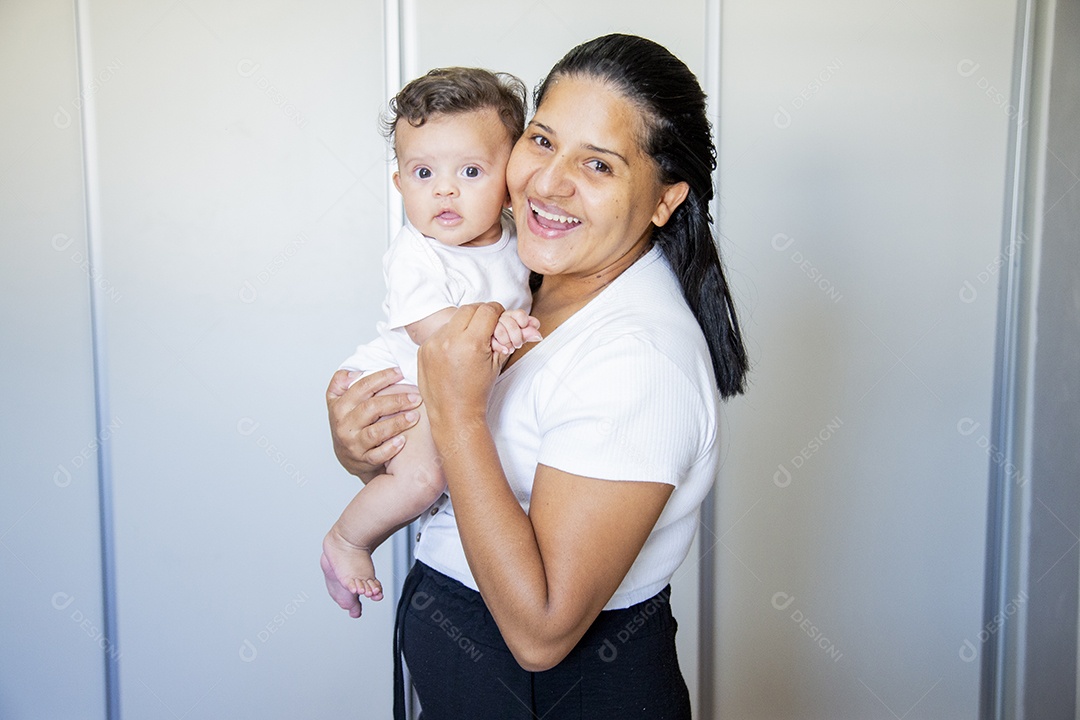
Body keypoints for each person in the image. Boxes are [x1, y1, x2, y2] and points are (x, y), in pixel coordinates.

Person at [326, 34, 749, 719]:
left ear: (665, 199)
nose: (548, 183)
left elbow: (542, 632)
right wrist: (369, 448)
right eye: (544, 141)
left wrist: (456, 414)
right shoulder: (530, 279)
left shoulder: (640, 360)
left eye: (599, 164)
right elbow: (474, 470)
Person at [320, 67, 542, 614]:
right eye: (423, 172)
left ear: (510, 179)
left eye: (470, 171)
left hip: (444, 382)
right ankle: (346, 541)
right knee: (423, 479)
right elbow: (429, 329)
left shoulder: (519, 239)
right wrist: (495, 327)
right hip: (404, 377)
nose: (445, 189)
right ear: (399, 184)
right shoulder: (415, 253)